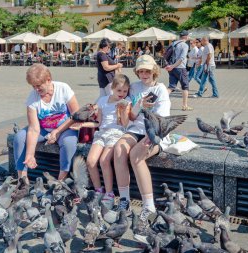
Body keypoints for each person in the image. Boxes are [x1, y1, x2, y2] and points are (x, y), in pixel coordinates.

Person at [113, 54, 171, 244]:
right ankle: (124, 201)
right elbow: (131, 116)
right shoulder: (136, 87)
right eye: (140, 71)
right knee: (120, 149)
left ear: (154, 70)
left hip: (155, 132)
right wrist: (139, 105)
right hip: (136, 128)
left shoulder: (160, 89)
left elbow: (163, 119)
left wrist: (150, 133)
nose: (144, 74)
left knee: (136, 155)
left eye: (147, 70)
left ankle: (149, 207)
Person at [71, 74, 132, 210]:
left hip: (116, 134)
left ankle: (109, 193)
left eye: (125, 91)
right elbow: (98, 123)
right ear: (112, 89)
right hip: (102, 133)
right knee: (91, 161)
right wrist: (82, 125)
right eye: (119, 90)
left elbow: (125, 123)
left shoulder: (126, 102)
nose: (122, 94)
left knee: (104, 160)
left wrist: (122, 110)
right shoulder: (103, 100)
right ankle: (99, 190)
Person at [13, 64, 80, 183]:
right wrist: (30, 155)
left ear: (48, 80)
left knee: (69, 142)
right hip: (43, 128)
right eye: (33, 86)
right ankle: (22, 180)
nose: (36, 90)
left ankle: (61, 181)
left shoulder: (63, 88)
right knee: (19, 137)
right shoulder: (32, 98)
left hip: (66, 127)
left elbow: (76, 115)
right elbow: (34, 129)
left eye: (39, 86)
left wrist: (58, 131)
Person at [165, 30, 192, 111]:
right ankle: (185, 106)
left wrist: (170, 66)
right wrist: (173, 66)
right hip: (180, 68)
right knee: (185, 86)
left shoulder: (173, 43)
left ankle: (159, 101)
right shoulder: (184, 45)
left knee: (171, 87)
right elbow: (181, 58)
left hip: (171, 68)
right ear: (186, 36)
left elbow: (167, 55)